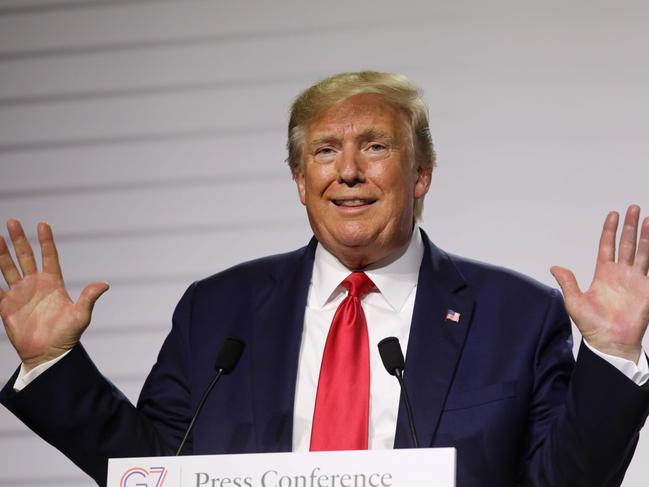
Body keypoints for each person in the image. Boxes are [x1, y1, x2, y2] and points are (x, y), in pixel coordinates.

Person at [1, 72, 648, 487]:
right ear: (298, 179)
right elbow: (154, 473)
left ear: (420, 172)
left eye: (373, 146)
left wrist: (613, 357)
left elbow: (562, 480)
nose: (347, 171)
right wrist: (54, 362)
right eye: (323, 150)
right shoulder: (218, 310)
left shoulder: (515, 315)